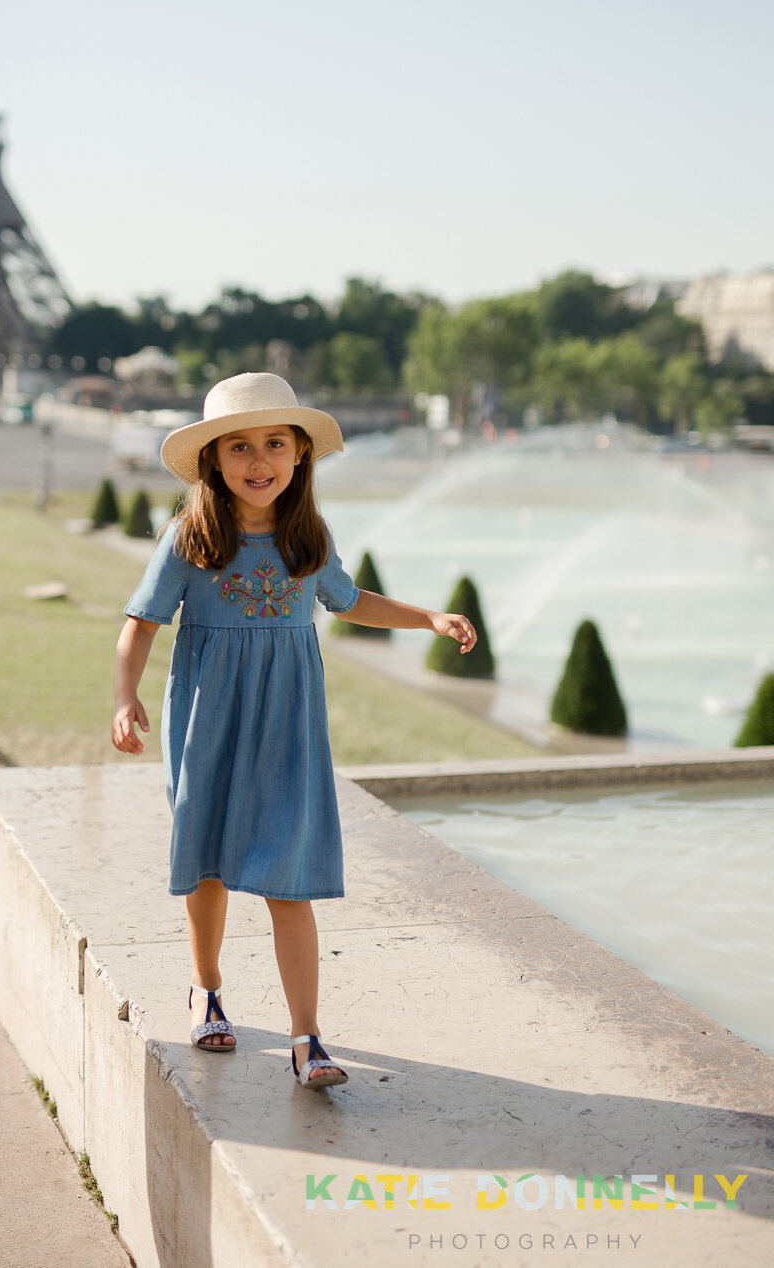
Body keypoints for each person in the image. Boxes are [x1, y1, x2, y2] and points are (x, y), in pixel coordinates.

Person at [112, 373, 477, 1089]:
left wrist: (426, 617)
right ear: (214, 460)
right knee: (210, 863)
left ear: (301, 453)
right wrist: (125, 696)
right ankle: (206, 988)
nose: (259, 460)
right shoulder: (192, 538)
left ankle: (308, 1037)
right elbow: (140, 624)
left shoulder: (306, 538)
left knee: (290, 877)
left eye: (274, 443)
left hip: (286, 726)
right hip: (208, 722)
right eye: (239, 446)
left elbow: (348, 600)